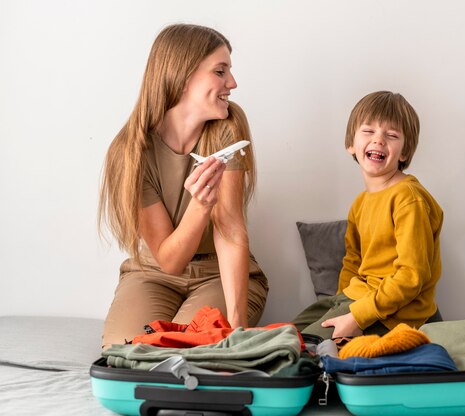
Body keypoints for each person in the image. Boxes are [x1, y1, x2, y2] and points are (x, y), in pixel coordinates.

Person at [98, 24, 268, 349]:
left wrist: (237, 328)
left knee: (195, 348)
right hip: (152, 272)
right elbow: (170, 262)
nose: (232, 83)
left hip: (218, 272)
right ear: (183, 75)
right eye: (220, 71)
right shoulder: (131, 152)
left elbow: (230, 231)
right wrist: (200, 205)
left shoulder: (227, 127)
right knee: (127, 353)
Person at [293, 91, 443, 340]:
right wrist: (339, 305)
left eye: (392, 135)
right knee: (284, 334)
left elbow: (411, 276)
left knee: (305, 346)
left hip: (397, 313)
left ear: (404, 152)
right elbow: (352, 263)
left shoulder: (408, 198)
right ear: (351, 144)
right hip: (358, 297)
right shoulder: (360, 204)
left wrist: (356, 317)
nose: (379, 140)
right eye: (369, 131)